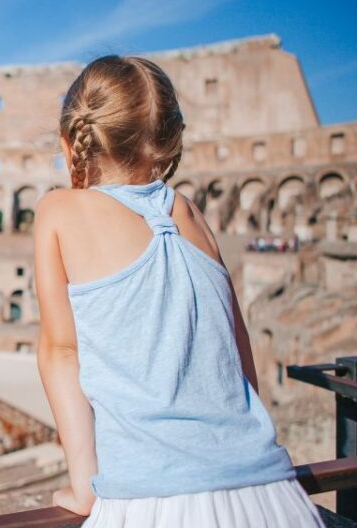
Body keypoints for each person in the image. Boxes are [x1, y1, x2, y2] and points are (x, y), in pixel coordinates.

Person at [32, 55, 325, 527]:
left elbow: (61, 352)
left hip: (155, 496)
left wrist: (86, 485)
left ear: (71, 144)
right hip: (270, 492)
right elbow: (238, 351)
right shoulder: (189, 213)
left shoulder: (60, 210)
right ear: (171, 142)